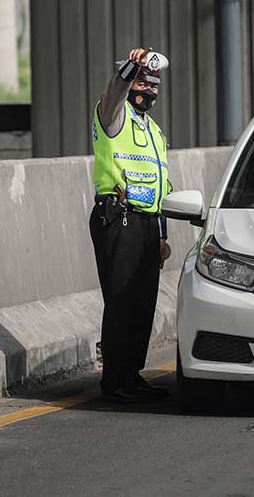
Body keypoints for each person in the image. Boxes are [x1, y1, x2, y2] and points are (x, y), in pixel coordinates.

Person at [89, 47, 173, 403]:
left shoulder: (154, 131)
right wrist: (130, 68)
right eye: (142, 82)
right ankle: (114, 380)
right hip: (118, 217)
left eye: (154, 85)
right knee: (121, 300)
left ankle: (132, 374)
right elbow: (115, 91)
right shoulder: (114, 116)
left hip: (148, 224)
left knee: (143, 303)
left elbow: (163, 186)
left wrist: (163, 235)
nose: (149, 90)